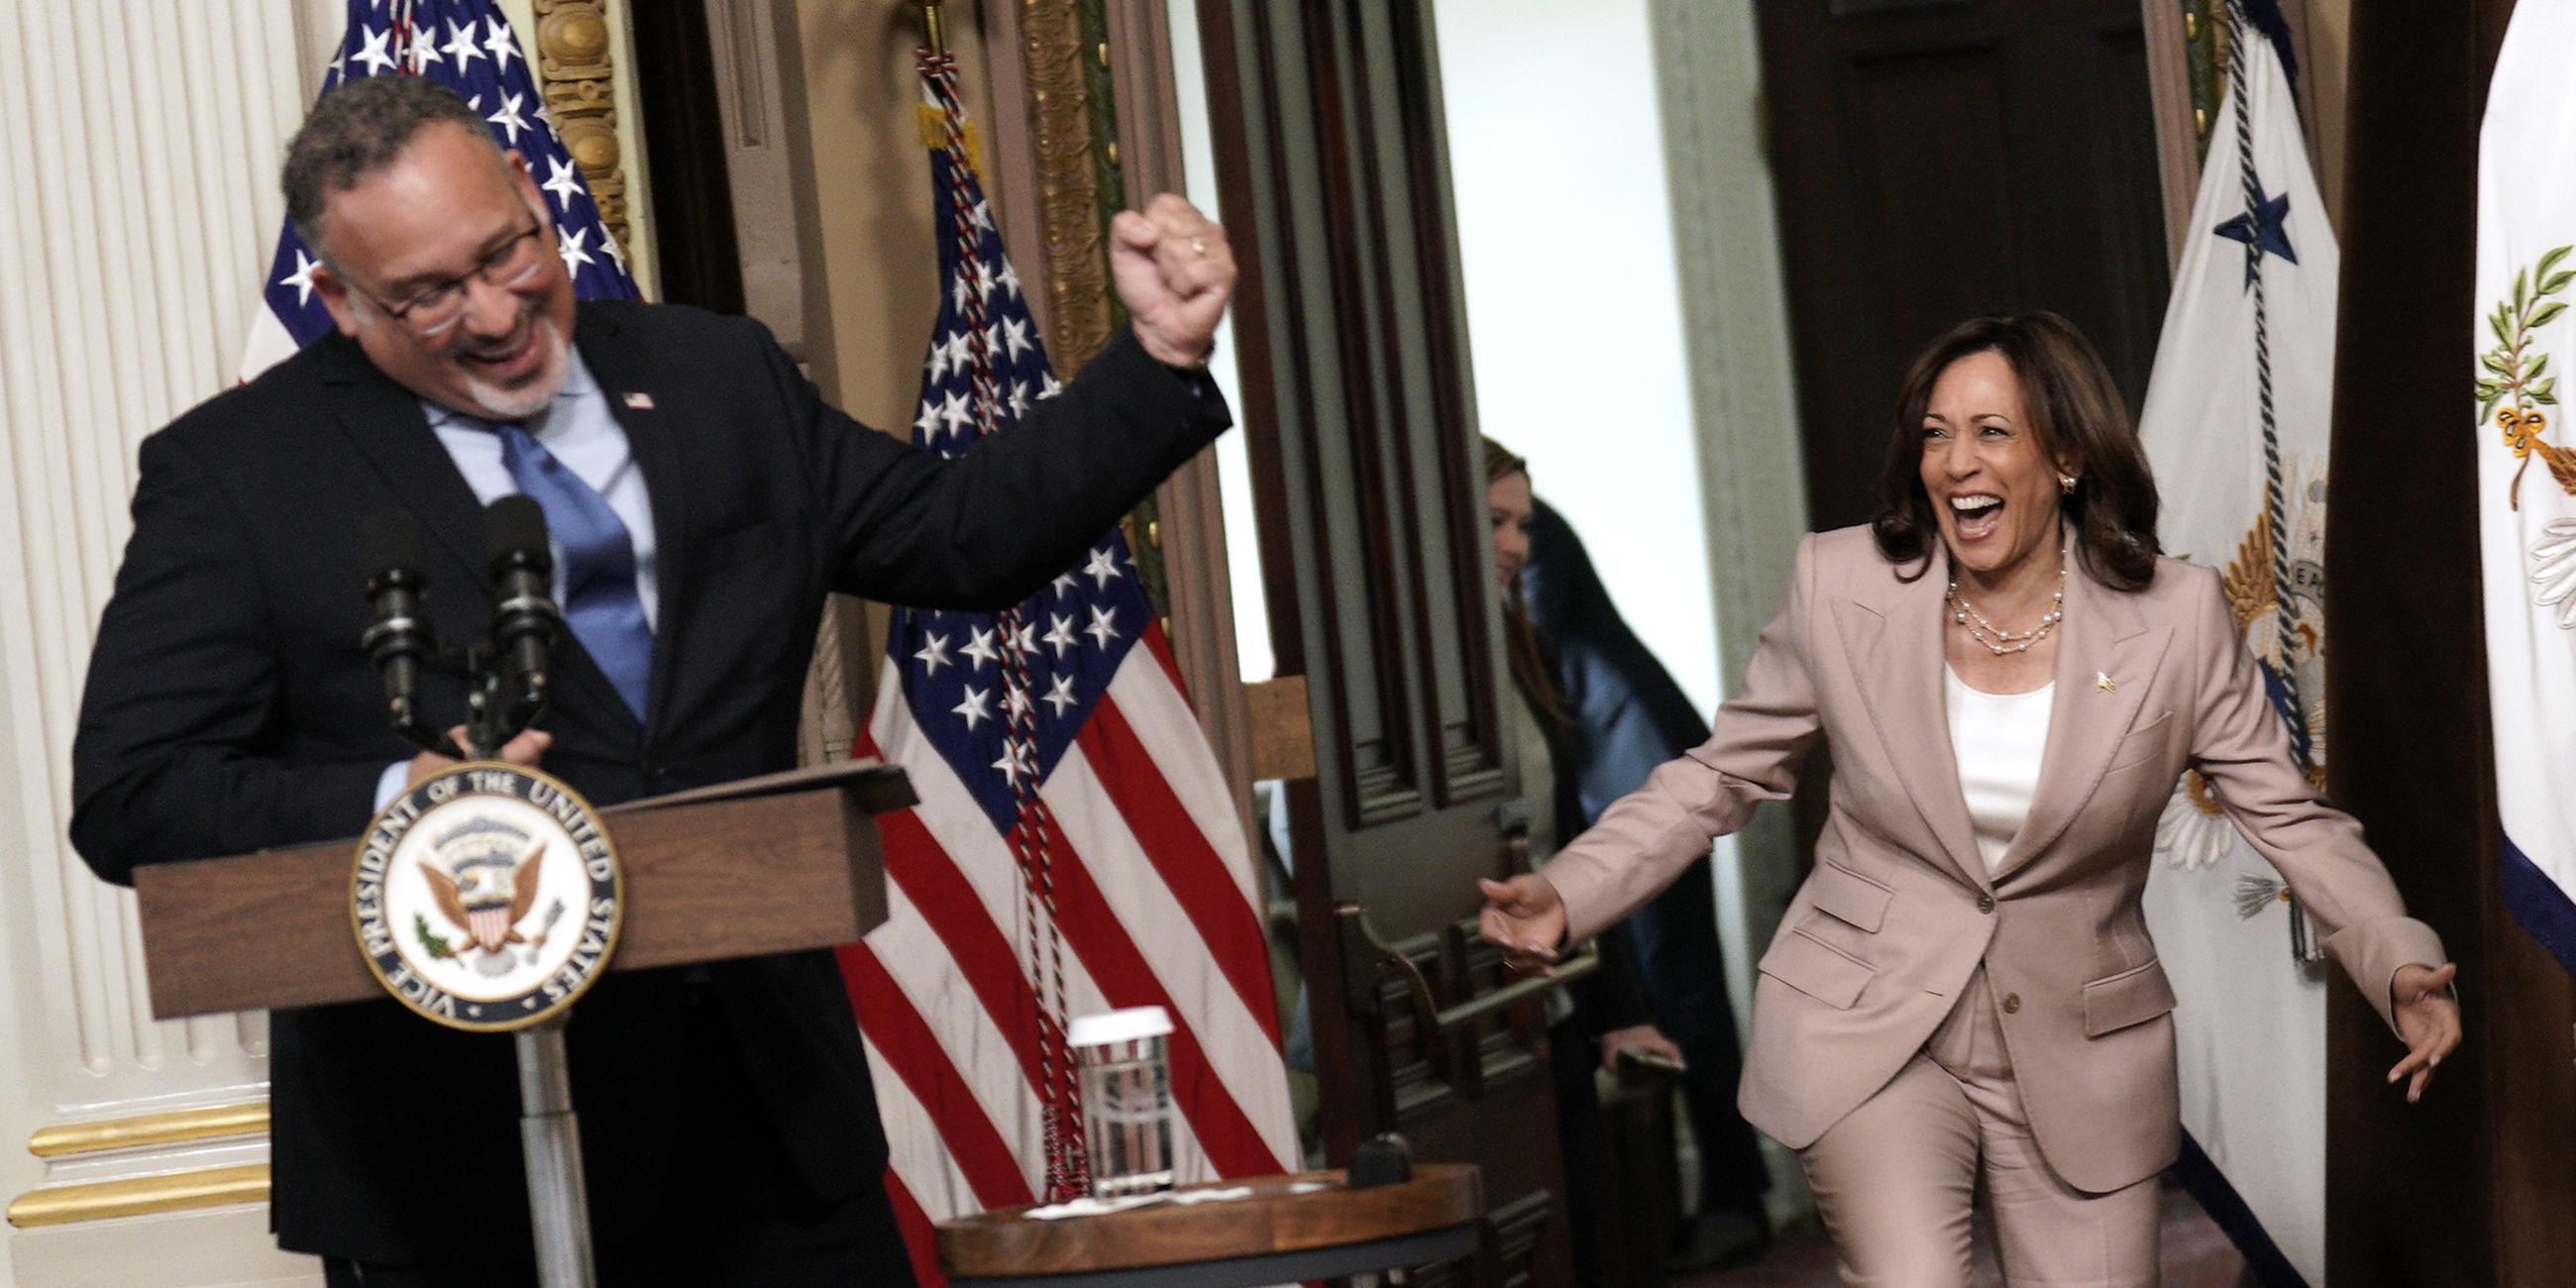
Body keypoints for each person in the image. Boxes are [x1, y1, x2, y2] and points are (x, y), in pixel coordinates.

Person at [68, 74, 1236, 1285]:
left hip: (772, 1136)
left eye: (505, 252)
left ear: (530, 191)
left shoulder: (716, 374)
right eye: (428, 294)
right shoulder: (239, 474)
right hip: (456, 1174)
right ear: (342, 304)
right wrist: (400, 797)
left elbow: (959, 536)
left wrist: (1158, 354)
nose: (494, 312)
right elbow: (134, 791)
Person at [1476, 312, 2463, 1285]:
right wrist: (1570, 890)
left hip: (2081, 1042)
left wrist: (2395, 953)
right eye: (1935, 435)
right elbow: (1717, 775)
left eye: (1991, 432)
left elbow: (2286, 814)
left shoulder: (2174, 618)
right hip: (1869, 1023)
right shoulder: (1840, 585)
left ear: (2066, 456)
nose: (1956, 464)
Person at [1516, 491, 1773, 1269]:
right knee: (1673, 989)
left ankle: (1734, 1198)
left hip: (1636, 766)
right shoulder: (1509, 505)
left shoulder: (1513, 510)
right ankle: (1727, 1195)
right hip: (1618, 764)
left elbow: (1531, 633)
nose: (1507, 538)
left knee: (1682, 990)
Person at [1484, 438, 1688, 1284]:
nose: (1516, 546)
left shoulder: (1519, 642)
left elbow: (1564, 841)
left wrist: (1619, 1014)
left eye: (1524, 526)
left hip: (1551, 994)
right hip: (1467, 1007)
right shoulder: (1404, 672)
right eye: (1495, 522)